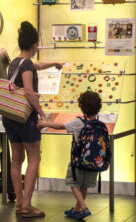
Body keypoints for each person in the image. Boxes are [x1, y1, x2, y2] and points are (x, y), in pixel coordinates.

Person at [2, 21, 62, 218]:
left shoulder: (15, 62)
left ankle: (19, 203)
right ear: (34, 45)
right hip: (26, 117)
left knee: (16, 158)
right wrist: (42, 113)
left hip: (10, 116)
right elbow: (28, 91)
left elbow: (36, 65)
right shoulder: (27, 64)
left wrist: (53, 64)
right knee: (34, 157)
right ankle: (27, 204)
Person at [37, 91, 103, 220]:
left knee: (73, 183)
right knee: (84, 186)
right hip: (94, 161)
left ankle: (83, 207)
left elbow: (60, 126)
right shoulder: (99, 124)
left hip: (78, 161)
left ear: (82, 106)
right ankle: (77, 209)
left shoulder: (79, 122)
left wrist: (44, 124)